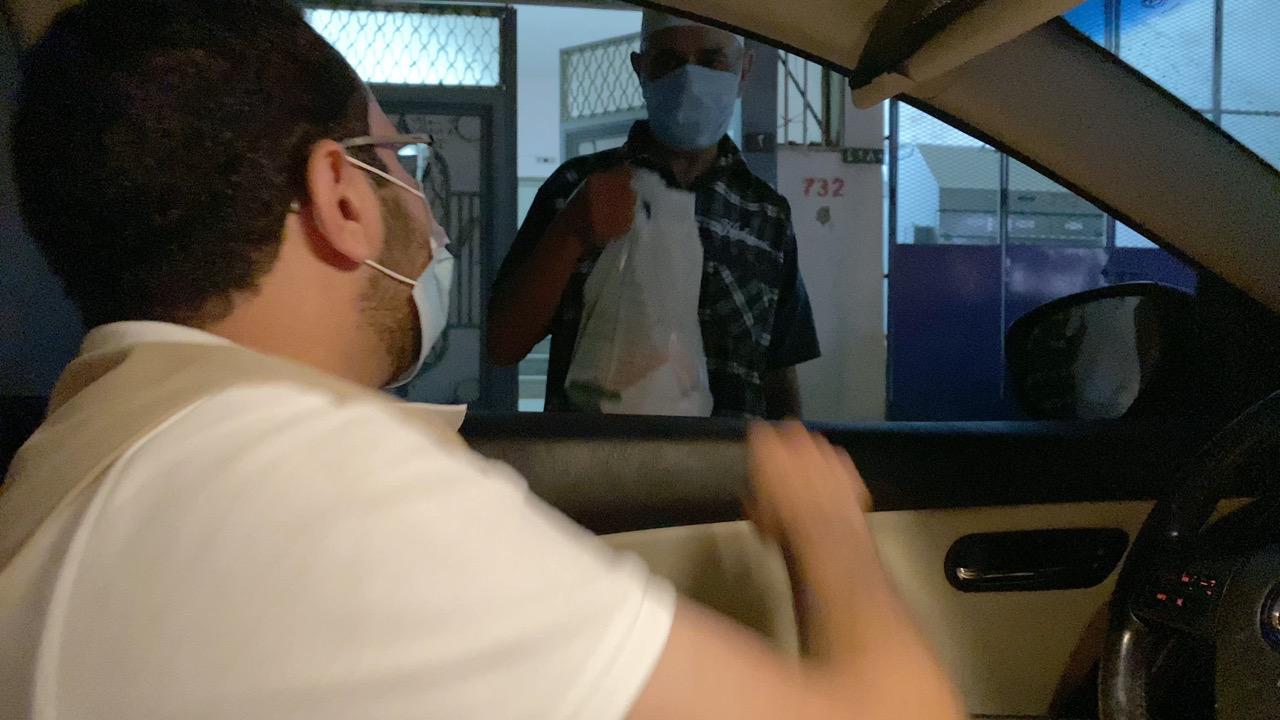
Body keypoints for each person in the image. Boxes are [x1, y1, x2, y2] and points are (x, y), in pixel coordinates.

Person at [0, 2, 963, 719]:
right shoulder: (339, 494)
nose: (421, 209)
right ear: (342, 196)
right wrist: (828, 528)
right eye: (400, 161)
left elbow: (785, 359)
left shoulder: (57, 463)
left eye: (711, 59)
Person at [488, 11, 820, 419]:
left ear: (744, 70)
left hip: (728, 458)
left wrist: (793, 447)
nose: (689, 79)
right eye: (668, 61)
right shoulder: (575, 187)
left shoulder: (766, 214)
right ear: (640, 69)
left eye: (712, 60)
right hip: (593, 456)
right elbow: (502, 345)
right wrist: (571, 230)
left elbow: (779, 372)